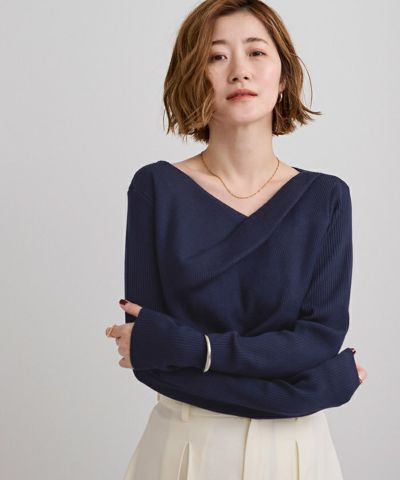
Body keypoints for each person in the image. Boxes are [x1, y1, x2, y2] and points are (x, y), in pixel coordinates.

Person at [106, 1, 367, 478]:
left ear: (284, 77)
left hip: (297, 454)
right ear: (193, 75)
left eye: (256, 52)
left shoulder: (325, 197)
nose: (239, 71)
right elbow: (152, 362)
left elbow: (318, 340)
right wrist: (310, 390)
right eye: (216, 56)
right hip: (184, 449)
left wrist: (194, 349)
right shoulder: (156, 188)